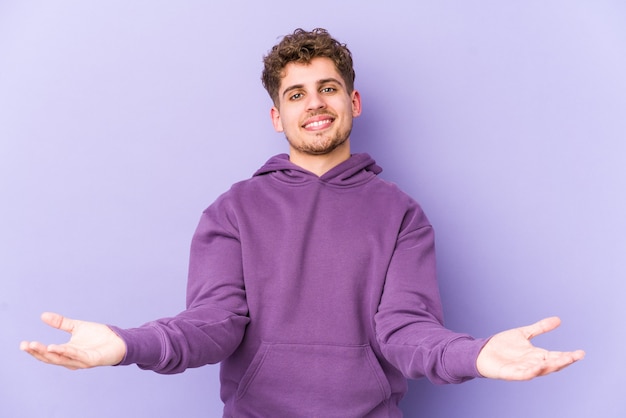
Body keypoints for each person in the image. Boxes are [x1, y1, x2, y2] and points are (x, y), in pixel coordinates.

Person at [21, 28, 585, 417]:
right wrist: (125, 344)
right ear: (277, 115)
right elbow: (212, 324)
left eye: (327, 88)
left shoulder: (400, 214)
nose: (314, 104)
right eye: (296, 94)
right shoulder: (233, 210)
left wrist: (476, 354)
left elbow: (406, 331)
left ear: (353, 101)